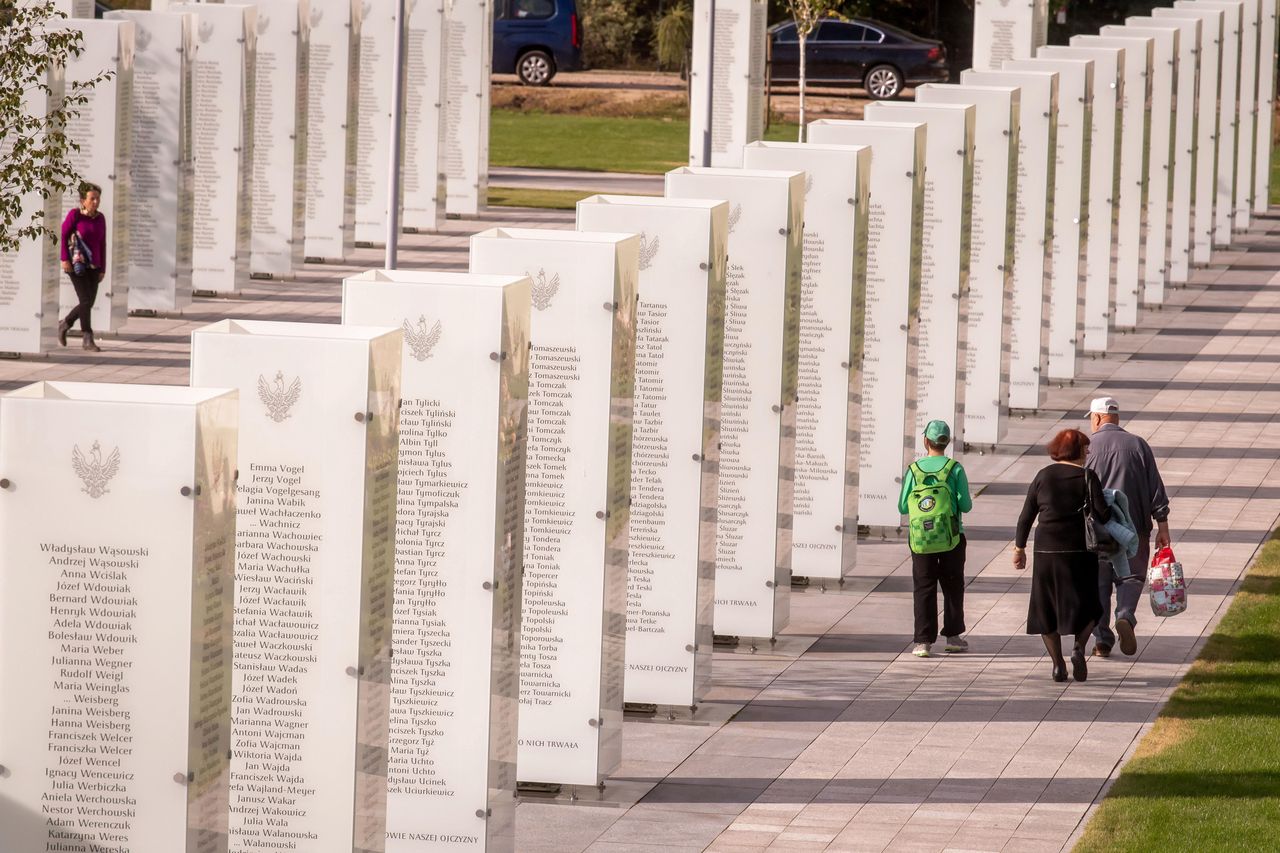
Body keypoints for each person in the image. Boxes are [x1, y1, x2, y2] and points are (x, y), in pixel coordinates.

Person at [1013, 428, 1111, 683]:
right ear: (1077, 451)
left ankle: (1058, 665)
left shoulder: (1043, 476)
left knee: (1046, 607)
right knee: (1090, 605)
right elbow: (1103, 514)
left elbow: (1026, 516)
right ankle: (1078, 647)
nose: (1089, 452)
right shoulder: (1088, 477)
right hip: (1080, 551)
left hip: (1046, 550)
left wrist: (1019, 548)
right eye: (1086, 448)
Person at [1085, 396, 1171, 657]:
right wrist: (1163, 526)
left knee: (1098, 585)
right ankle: (1125, 615)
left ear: (1098, 418)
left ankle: (1102, 640)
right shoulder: (1138, 445)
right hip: (1134, 529)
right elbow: (1155, 488)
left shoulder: (1087, 447)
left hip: (1097, 531)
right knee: (1130, 578)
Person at [898, 420, 973, 658]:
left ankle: (922, 642)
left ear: (926, 441)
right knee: (953, 586)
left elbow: (902, 506)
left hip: (921, 539)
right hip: (951, 536)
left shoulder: (914, 470)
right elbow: (966, 506)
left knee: (923, 587)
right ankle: (953, 636)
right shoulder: (955, 469)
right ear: (947, 442)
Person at [58, 182, 107, 353]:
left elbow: (102, 243)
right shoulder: (75, 215)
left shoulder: (100, 218)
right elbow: (63, 236)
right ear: (82, 200)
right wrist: (64, 259)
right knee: (85, 300)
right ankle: (87, 338)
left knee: (88, 302)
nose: (96, 202)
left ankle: (65, 323)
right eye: (92, 198)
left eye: (98, 198)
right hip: (76, 264)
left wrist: (103, 268)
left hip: (94, 266)